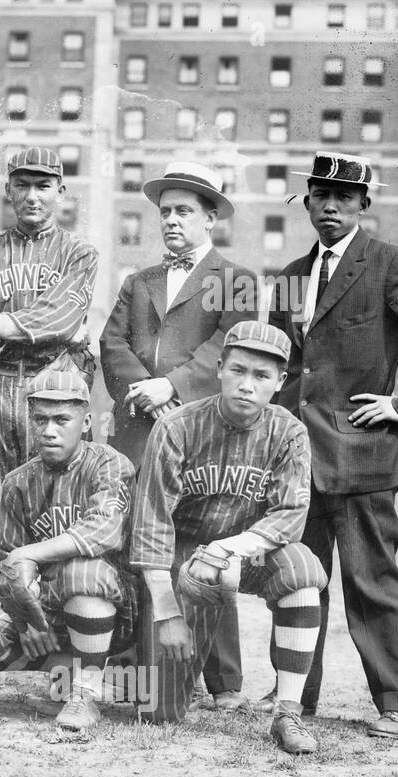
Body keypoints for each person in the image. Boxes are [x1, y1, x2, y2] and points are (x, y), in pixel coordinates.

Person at [266, 151, 398, 739]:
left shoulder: (391, 266)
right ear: (307, 202)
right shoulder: (293, 274)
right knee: (298, 580)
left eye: (344, 197)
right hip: (299, 460)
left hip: (364, 456)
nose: (330, 205)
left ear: (363, 205)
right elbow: (279, 364)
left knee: (372, 583)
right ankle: (295, 701)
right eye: (320, 195)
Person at [100, 161, 260, 712]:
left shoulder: (234, 280)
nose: (171, 220)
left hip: (201, 436)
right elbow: (112, 343)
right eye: (165, 211)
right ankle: (153, 670)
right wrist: (144, 388)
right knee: (142, 548)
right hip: (140, 433)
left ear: (210, 218)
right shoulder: (138, 281)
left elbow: (228, 346)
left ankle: (224, 682)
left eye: (184, 211)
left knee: (201, 549)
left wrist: (170, 388)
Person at [129, 322, 328, 754]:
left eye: (262, 376)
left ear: (280, 383)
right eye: (238, 370)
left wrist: (230, 549)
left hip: (243, 551)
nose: (247, 385)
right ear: (219, 369)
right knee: (158, 709)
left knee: (302, 569)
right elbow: (150, 525)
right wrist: (167, 613)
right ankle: (149, 664)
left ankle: (287, 711)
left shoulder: (289, 431)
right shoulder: (176, 427)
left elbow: (290, 515)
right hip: (185, 558)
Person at [0, 146, 98, 690]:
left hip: (50, 386)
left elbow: (60, 318)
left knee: (51, 511)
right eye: (23, 185)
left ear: (61, 192)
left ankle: (52, 650)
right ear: (8, 191)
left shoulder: (80, 253)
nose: (33, 196)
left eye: (45, 186)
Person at [0, 371, 136, 735]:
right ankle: (64, 669)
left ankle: (85, 694)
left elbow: (105, 530)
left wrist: (32, 553)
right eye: (40, 419)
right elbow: (9, 562)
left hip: (116, 607)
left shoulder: (109, 464)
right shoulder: (17, 481)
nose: (49, 430)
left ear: (84, 423)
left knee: (84, 574)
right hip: (50, 606)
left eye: (61, 419)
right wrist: (25, 617)